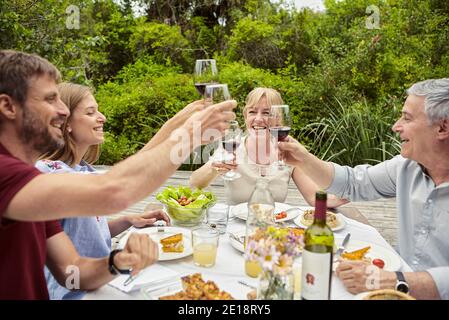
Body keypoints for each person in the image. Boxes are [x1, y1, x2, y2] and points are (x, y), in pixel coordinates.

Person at [0, 50, 236, 299]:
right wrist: (189, 136)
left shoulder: (31, 185)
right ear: (8, 106)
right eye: (50, 99)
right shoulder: (7, 174)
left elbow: (73, 271)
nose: (63, 110)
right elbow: (114, 190)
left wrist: (118, 261)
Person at [277, 78, 449, 300]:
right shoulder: (406, 167)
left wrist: (395, 280)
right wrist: (302, 159)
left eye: (407, 118)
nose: (396, 126)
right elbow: (353, 183)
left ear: (442, 127)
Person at [35, 82, 176, 299]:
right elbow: (127, 179)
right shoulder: (49, 173)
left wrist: (127, 221)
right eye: (91, 112)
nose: (102, 117)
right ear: (66, 123)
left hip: (100, 280)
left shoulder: (80, 169)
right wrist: (181, 126)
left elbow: (82, 235)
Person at [190, 87, 347, 207]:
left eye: (266, 113)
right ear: (245, 116)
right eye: (252, 112)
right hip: (234, 230)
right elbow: (194, 183)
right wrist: (213, 168)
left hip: (273, 229)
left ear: (278, 118)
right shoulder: (232, 145)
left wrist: (352, 192)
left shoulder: (288, 151)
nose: (258, 119)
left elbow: (314, 197)